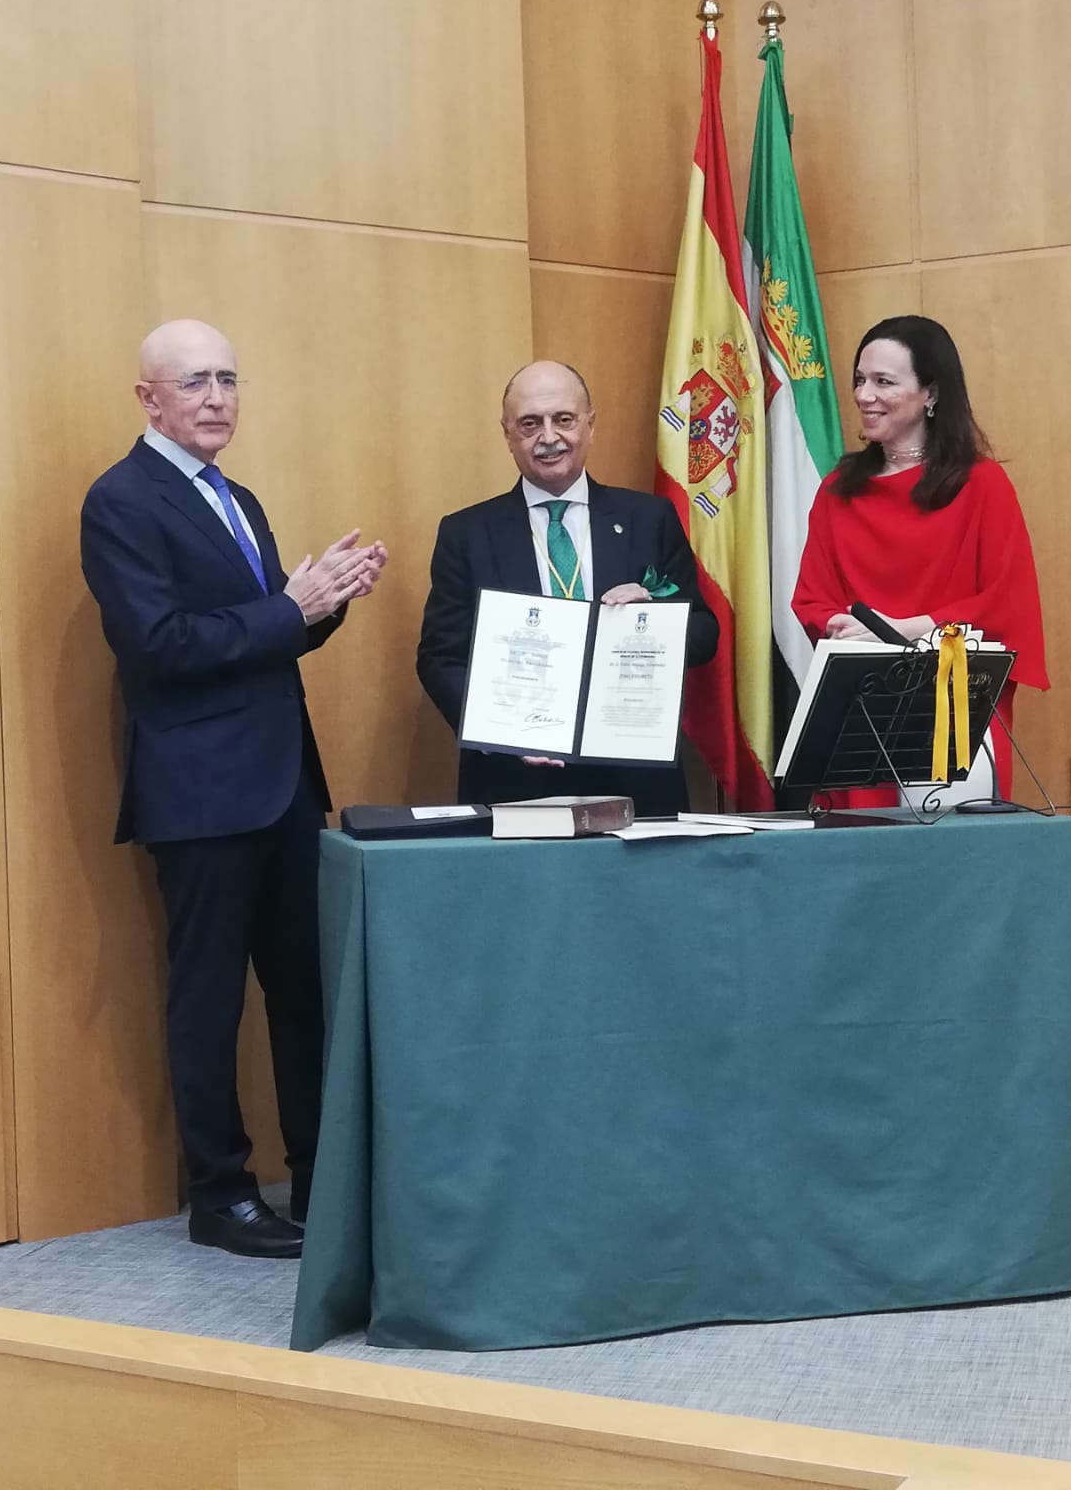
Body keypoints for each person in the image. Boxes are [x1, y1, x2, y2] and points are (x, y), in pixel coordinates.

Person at [80, 319, 386, 1258]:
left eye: (228, 379)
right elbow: (160, 647)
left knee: (305, 994)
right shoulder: (121, 500)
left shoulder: (238, 497)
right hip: (202, 793)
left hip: (283, 783)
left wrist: (322, 605)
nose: (217, 397)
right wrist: (289, 607)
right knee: (209, 1000)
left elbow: (267, 636)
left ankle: (322, 1178)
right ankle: (221, 1194)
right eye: (195, 382)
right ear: (149, 400)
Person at [416, 360, 718, 816]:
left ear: (590, 424)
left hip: (635, 775)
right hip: (514, 778)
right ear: (507, 434)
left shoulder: (648, 520)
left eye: (564, 419)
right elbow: (440, 658)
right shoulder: (467, 534)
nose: (549, 437)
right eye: (530, 424)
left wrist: (652, 619)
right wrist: (500, 733)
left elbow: (704, 633)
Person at [790, 315, 1046, 802]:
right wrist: (843, 627)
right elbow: (811, 601)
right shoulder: (837, 492)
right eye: (860, 380)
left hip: (954, 702)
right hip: (862, 703)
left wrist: (909, 628)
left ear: (930, 393)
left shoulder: (982, 485)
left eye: (884, 381)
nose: (865, 395)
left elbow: (1008, 602)